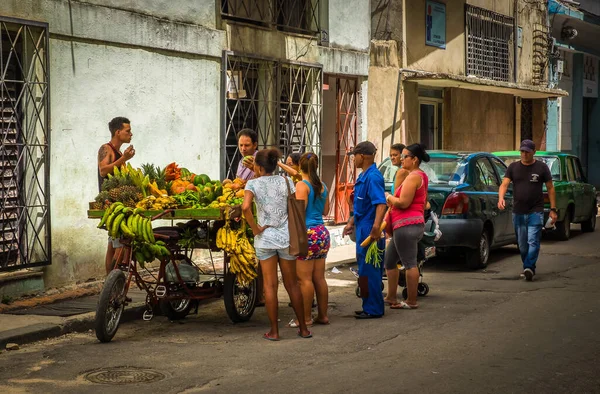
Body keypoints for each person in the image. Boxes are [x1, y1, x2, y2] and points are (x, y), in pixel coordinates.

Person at [242, 148, 312, 340]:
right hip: (285, 238)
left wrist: (255, 228)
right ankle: (304, 329)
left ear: (257, 166)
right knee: (292, 285)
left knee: (270, 286)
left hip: (265, 239)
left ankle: (274, 331)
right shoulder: (286, 181)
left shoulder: (252, 184)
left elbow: (245, 207)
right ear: (273, 165)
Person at [498, 139, 557, 281]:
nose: (524, 154)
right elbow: (504, 184)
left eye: (527, 152)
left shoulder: (542, 168)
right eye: (522, 151)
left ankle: (529, 267)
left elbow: (550, 188)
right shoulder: (513, 167)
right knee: (522, 245)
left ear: (533, 152)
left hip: (535, 211)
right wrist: (501, 198)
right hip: (518, 211)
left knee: (533, 241)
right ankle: (528, 266)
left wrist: (553, 209)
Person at [343, 141, 387, 319]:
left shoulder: (373, 177)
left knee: (370, 272)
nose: (353, 159)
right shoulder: (364, 176)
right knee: (364, 271)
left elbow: (381, 204)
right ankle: (368, 305)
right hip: (362, 227)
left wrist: (376, 228)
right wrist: (351, 221)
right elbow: (362, 206)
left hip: (370, 230)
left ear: (363, 156)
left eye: (355, 155)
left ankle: (374, 309)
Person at [384, 143, 430, 309]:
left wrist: (388, 197)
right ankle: (390, 296)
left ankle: (411, 301)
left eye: (404, 156)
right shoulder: (421, 175)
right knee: (389, 261)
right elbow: (424, 202)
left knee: (409, 264)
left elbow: (403, 202)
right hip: (408, 225)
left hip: (407, 225)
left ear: (415, 159)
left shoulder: (413, 177)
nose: (401, 159)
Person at [288, 152, 330, 328]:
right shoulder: (323, 186)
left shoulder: (301, 186)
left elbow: (300, 212)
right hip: (321, 233)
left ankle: (305, 319)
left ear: (300, 167)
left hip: (307, 234)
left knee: (304, 279)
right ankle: (323, 316)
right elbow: (326, 211)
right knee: (319, 278)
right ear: (316, 166)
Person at [97, 116, 135, 275]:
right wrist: (124, 159)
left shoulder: (119, 152)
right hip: (111, 204)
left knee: (113, 244)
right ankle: (113, 282)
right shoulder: (106, 149)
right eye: (128, 131)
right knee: (119, 244)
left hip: (119, 203)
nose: (131, 134)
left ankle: (110, 282)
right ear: (118, 132)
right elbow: (103, 170)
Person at [383, 143, 410, 305]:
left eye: (395, 155)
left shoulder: (402, 173)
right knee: (405, 260)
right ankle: (396, 295)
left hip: (399, 218)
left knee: (393, 259)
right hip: (407, 219)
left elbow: (396, 199)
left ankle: (393, 295)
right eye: (391, 155)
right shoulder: (413, 173)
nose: (392, 158)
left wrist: (386, 219)